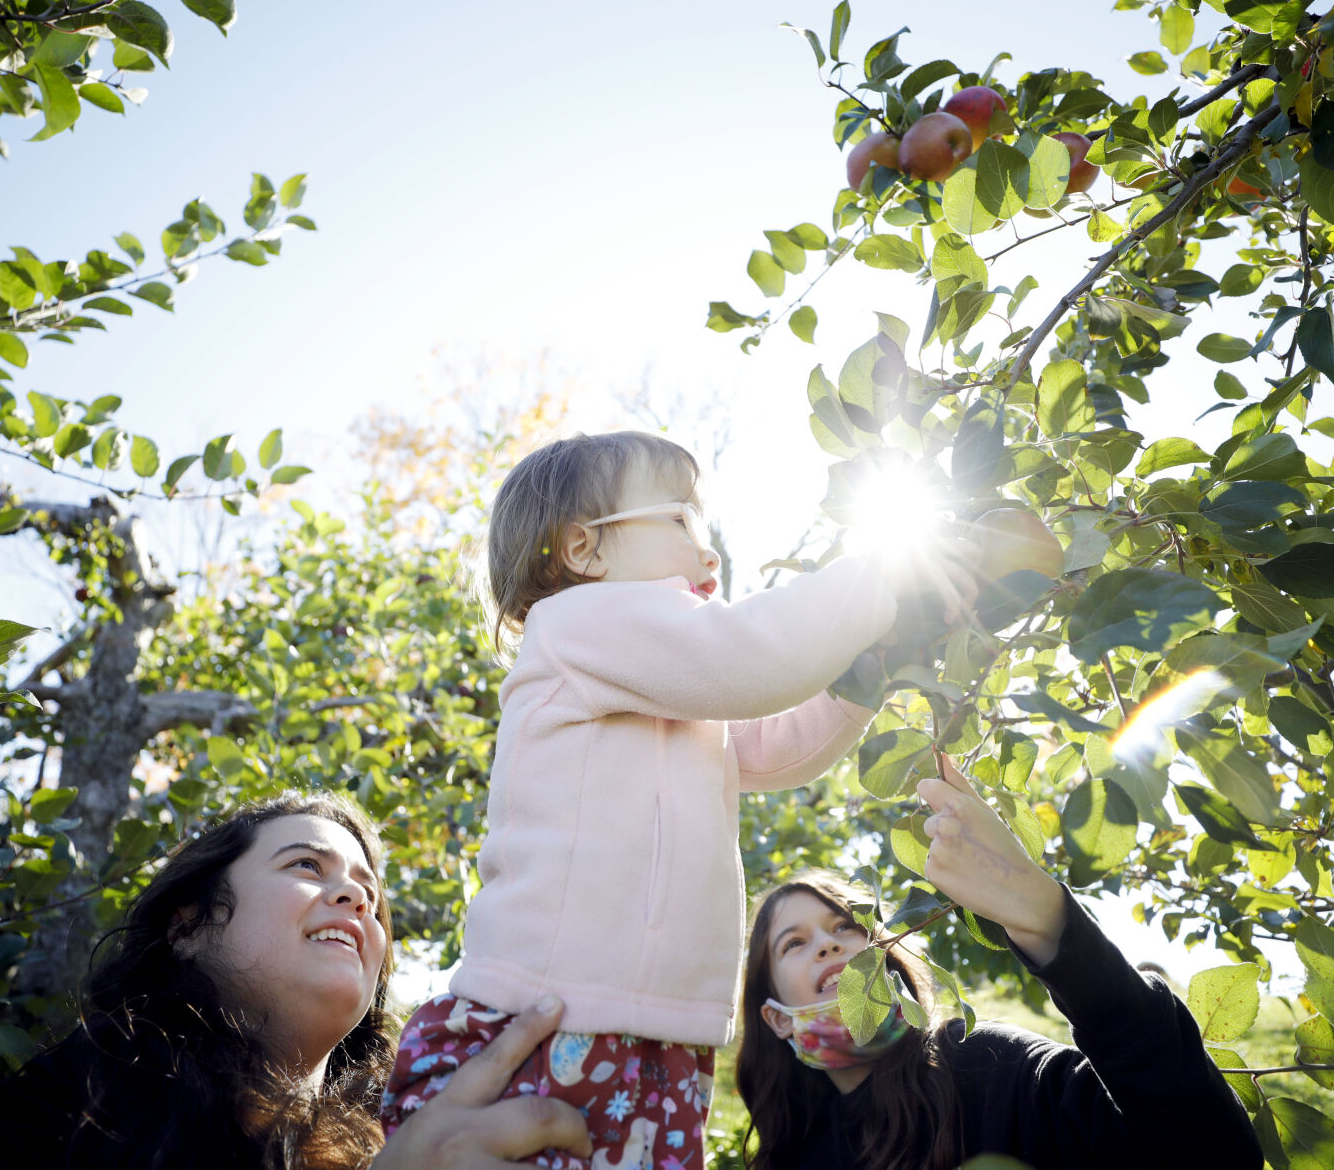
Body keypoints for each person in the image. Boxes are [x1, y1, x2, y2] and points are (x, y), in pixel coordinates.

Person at [383, 431, 979, 1167]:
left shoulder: (672, 676)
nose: (709, 553)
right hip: (547, 1020)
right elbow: (751, 657)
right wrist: (888, 574)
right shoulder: (578, 624)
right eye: (681, 520)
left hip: (654, 1038)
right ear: (583, 549)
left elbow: (779, 743)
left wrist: (877, 661)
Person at [0, 792, 592, 1170]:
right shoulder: (42, 1124)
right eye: (305, 865)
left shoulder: (422, 1139)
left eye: (370, 895)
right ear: (189, 924)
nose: (355, 898)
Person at [737, 757, 1266, 1170]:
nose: (828, 945)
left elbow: (1215, 1156)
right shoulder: (792, 1155)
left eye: (844, 927)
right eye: (795, 944)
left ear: (887, 963)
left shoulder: (989, 1068)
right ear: (777, 1017)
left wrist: (1047, 919)